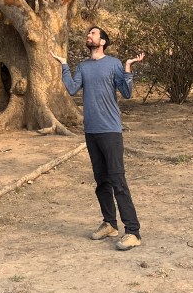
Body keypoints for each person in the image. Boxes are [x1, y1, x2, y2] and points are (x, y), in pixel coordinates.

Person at [52, 27, 145, 250]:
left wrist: (128, 68)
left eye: (93, 34)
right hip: (91, 132)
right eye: (88, 34)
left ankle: (133, 232)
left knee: (118, 181)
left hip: (111, 130)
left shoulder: (113, 63)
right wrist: (64, 64)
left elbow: (127, 92)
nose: (89, 36)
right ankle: (109, 224)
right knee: (101, 181)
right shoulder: (83, 66)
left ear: (102, 41)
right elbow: (73, 89)